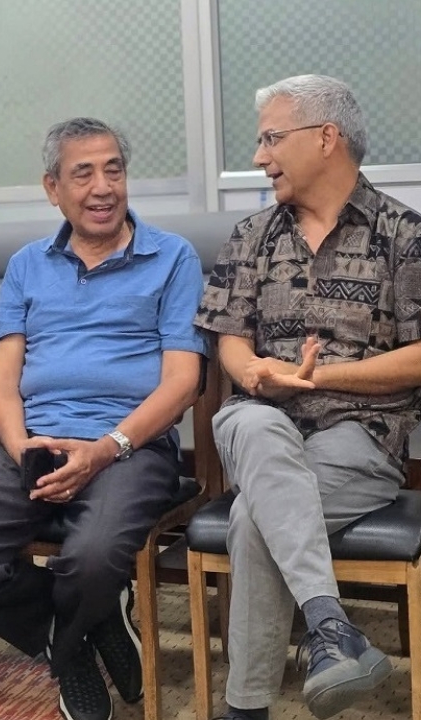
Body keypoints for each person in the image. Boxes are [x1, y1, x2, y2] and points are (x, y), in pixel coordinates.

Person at [0, 117, 207, 720]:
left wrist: (106, 448)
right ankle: (75, 639)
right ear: (53, 188)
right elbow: (2, 379)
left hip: (130, 448)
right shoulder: (30, 265)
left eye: (114, 170)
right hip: (35, 441)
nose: (103, 187)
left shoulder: (172, 258)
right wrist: (21, 445)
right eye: (84, 174)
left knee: (93, 556)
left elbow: (184, 381)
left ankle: (78, 623)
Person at [194, 74, 421, 720]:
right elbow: (228, 345)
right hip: (258, 418)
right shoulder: (252, 235)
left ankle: (252, 703)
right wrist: (261, 371)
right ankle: (333, 630)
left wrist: (321, 378)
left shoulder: (405, 236)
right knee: (257, 428)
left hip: (362, 437)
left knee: (251, 518)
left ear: (327, 138)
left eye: (271, 138)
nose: (261, 157)